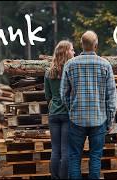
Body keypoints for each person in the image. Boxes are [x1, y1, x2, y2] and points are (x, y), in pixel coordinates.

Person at [60, 31, 117, 179]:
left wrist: (71, 109)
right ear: (96, 45)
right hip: (99, 120)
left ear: (81, 44)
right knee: (95, 157)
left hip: (76, 119)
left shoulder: (70, 64)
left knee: (74, 157)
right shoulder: (105, 65)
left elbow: (63, 93)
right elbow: (111, 97)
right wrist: (110, 120)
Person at [44, 40, 75, 179]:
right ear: (66, 52)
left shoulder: (49, 72)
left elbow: (48, 96)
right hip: (67, 114)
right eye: (72, 50)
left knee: (55, 150)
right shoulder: (71, 71)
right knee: (65, 151)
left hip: (54, 114)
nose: (74, 52)